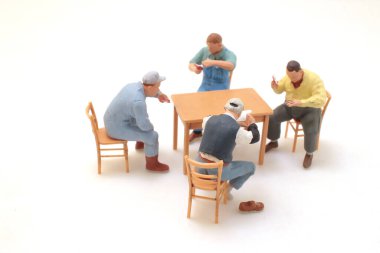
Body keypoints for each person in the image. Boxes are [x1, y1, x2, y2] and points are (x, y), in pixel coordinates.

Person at [196, 98, 264, 212]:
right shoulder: (236, 130)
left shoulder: (208, 119)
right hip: (217, 171)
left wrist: (236, 123)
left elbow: (218, 123)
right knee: (251, 167)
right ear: (239, 113)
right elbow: (255, 137)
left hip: (198, 166)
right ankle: (227, 190)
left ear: (225, 108)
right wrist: (252, 124)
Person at [103, 71, 171, 172]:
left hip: (111, 119)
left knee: (137, 118)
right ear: (150, 87)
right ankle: (152, 165)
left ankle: (140, 143)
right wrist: (151, 128)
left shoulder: (133, 86)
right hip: (115, 128)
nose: (158, 89)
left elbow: (149, 91)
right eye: (158, 87)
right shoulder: (138, 102)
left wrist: (159, 94)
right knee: (152, 136)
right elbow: (144, 126)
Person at [265, 60, 327, 168]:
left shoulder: (314, 79)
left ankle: (309, 153)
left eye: (293, 77)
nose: (291, 80)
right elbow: (280, 89)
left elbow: (321, 99)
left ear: (300, 71)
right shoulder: (288, 77)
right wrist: (275, 86)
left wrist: (302, 102)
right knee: (272, 116)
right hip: (290, 106)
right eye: (289, 76)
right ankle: (273, 141)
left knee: (311, 129)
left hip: (309, 109)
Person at [188, 33, 237, 142]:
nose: (209, 50)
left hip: (221, 87)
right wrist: (194, 69)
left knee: (217, 110)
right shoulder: (204, 51)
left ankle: (215, 134)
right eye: (208, 46)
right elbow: (191, 63)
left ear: (219, 45)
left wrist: (213, 62)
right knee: (197, 104)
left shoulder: (229, 54)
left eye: (211, 47)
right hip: (205, 86)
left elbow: (231, 65)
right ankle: (197, 131)